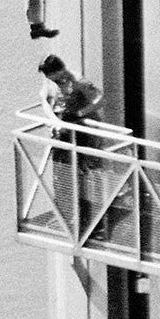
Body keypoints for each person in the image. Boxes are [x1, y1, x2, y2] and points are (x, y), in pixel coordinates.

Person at [38, 55, 105, 238]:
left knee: (86, 177)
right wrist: (53, 120)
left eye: (51, 74)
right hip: (63, 133)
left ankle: (91, 222)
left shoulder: (77, 81)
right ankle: (66, 218)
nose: (50, 78)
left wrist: (80, 113)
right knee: (62, 176)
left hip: (81, 133)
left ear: (60, 70)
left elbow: (99, 99)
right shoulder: (50, 83)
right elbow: (43, 99)